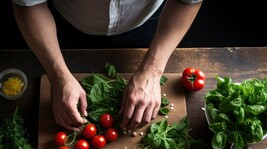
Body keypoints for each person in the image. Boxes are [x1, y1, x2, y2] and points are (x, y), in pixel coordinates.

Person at [12, 0, 203, 132]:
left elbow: (189, 1)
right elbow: (29, 3)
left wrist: (153, 70)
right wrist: (57, 74)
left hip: (151, 25)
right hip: (64, 27)